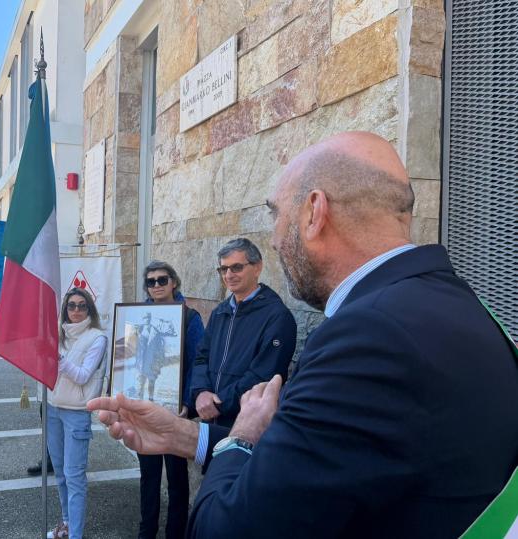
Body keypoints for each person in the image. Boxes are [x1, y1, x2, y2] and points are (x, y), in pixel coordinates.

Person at [88, 131, 518, 538]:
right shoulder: (454, 301)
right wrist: (183, 435)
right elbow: (318, 456)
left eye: (276, 214)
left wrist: (240, 437)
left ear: (314, 211)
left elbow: (226, 528)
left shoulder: (365, 337)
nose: (274, 238)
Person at [190, 238, 296, 430]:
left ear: (257, 267)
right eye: (224, 269)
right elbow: (201, 357)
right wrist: (201, 391)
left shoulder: (277, 317)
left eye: (236, 267)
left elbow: (264, 375)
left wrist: (219, 402)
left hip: (247, 426)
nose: (229, 275)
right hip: (210, 420)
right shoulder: (220, 312)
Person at [136, 261, 204, 539]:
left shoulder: (190, 317)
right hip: (145, 405)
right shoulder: (137, 316)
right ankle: (146, 532)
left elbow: (197, 362)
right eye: (150, 281)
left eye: (161, 280)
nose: (156, 286)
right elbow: (129, 356)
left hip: (176, 410)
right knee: (148, 477)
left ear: (173, 282)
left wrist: (186, 402)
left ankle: (176, 533)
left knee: (177, 478)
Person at [46, 288, 107, 539]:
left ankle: (76, 535)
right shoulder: (59, 335)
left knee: (74, 476)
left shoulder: (97, 338)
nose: (76, 311)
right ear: (65, 309)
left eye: (82, 306)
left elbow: (82, 376)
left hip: (77, 414)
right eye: (71, 306)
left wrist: (58, 358)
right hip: (53, 408)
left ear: (90, 309)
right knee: (60, 473)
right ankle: (67, 523)